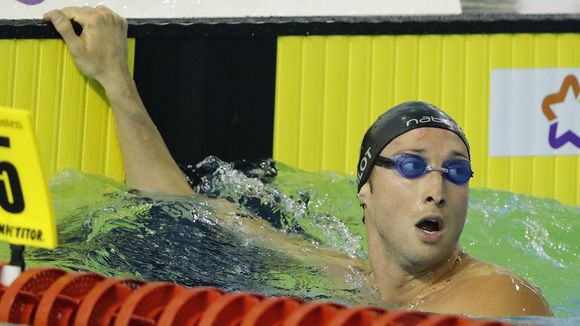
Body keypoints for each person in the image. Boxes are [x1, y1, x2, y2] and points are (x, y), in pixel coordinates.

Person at [44, 6, 553, 317]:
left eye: (457, 170)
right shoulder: (345, 278)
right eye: (413, 166)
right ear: (365, 191)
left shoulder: (498, 299)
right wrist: (116, 80)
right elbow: (183, 206)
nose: (437, 186)